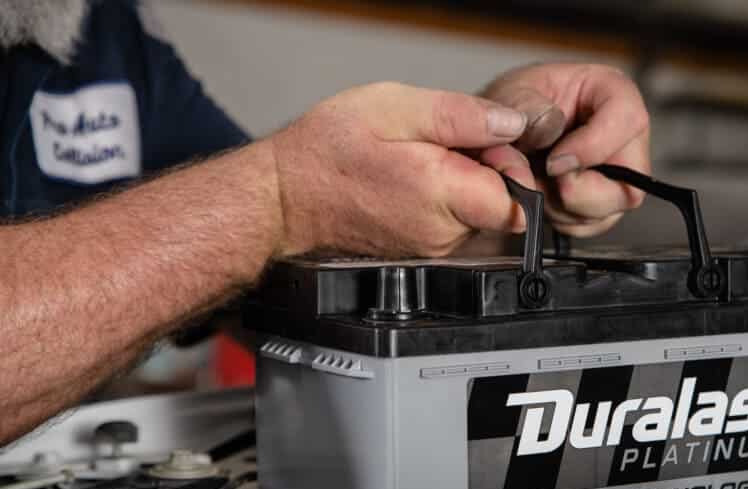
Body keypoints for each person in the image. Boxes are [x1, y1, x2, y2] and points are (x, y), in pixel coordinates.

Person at [0, 0, 651, 445]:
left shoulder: (96, 26)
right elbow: (266, 208)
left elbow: (260, 249)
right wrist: (278, 199)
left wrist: (491, 170)